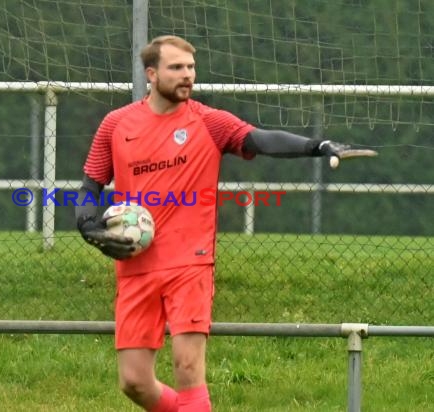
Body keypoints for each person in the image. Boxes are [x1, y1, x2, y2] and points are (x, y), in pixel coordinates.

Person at [75, 35, 351, 412]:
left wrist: (316, 146)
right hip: (135, 266)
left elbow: (259, 139)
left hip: (190, 262)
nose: (186, 76)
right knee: (135, 382)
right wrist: (87, 225)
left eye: (191, 68)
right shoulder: (116, 124)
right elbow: (91, 183)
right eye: (176, 68)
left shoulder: (208, 121)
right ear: (152, 74)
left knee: (187, 367)